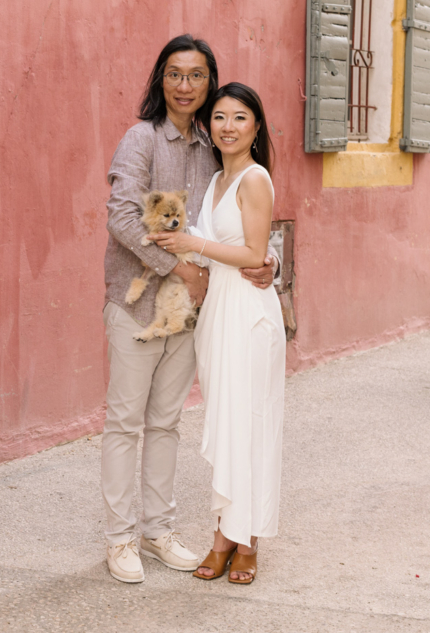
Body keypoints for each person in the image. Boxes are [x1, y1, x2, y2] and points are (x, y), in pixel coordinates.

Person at [102, 39, 276, 584]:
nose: (185, 86)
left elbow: (235, 221)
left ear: (209, 82)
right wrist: (178, 267)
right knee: (125, 421)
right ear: (160, 80)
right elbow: (123, 218)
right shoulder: (141, 139)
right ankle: (120, 539)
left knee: (166, 423)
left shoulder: (213, 146)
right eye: (174, 75)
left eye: (197, 76)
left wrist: (266, 258)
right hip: (138, 301)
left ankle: (158, 531)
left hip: (194, 313)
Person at [147, 82, 285, 584]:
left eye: (240, 117)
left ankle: (245, 542)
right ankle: (225, 531)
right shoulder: (214, 181)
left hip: (249, 313)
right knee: (228, 424)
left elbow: (253, 253)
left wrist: (194, 241)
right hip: (220, 313)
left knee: (249, 423)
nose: (228, 126)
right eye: (220, 117)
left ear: (256, 126)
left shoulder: (255, 178)